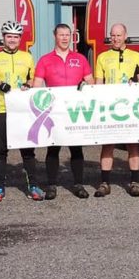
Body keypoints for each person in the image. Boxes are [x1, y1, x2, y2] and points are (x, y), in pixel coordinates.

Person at [0, 20, 44, 203]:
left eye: (15, 37)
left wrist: (28, 84)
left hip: (23, 110)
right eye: (9, 36)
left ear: (20, 39)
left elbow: (34, 79)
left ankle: (33, 185)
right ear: (3, 38)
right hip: (2, 109)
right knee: (1, 151)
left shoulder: (27, 57)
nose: (12, 40)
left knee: (28, 151)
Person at [33, 23, 94, 199]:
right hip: (54, 112)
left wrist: (87, 86)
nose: (65, 38)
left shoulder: (80, 58)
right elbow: (37, 85)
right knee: (53, 149)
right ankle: (51, 185)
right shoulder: (45, 60)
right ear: (55, 36)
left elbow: (91, 82)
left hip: (74, 111)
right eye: (61, 35)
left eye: (68, 35)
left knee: (76, 148)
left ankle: (78, 184)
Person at [93, 23, 139, 197]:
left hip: (131, 107)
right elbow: (98, 84)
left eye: (119, 35)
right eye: (113, 35)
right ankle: (105, 182)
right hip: (110, 107)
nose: (115, 39)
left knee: (133, 144)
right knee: (108, 145)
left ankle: (134, 182)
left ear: (125, 36)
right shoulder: (102, 57)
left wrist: (137, 83)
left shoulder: (137, 56)